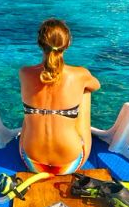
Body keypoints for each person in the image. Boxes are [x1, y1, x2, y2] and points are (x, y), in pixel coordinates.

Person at [18, 18, 101, 175]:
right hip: (71, 163)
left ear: (39, 43)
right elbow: (97, 85)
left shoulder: (24, 73)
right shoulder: (80, 74)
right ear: (67, 43)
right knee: (85, 90)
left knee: (31, 108)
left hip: (31, 160)